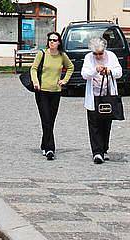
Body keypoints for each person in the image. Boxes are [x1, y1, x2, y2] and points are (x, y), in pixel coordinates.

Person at [30, 32, 73, 160]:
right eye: (50, 40)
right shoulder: (42, 54)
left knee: (51, 120)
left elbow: (70, 67)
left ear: (59, 42)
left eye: (54, 40)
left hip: (56, 92)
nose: (52, 42)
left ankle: (44, 144)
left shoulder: (62, 56)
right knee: (46, 118)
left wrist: (64, 80)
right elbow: (33, 69)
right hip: (42, 91)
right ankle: (50, 149)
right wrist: (35, 82)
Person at [81, 36, 122, 164]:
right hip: (93, 97)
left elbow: (119, 72)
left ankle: (104, 149)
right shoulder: (88, 58)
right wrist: (95, 70)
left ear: (104, 50)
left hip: (108, 96)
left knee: (106, 124)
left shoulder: (111, 56)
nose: (98, 56)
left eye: (100, 54)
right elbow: (84, 74)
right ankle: (97, 152)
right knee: (94, 125)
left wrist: (109, 71)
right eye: (96, 54)